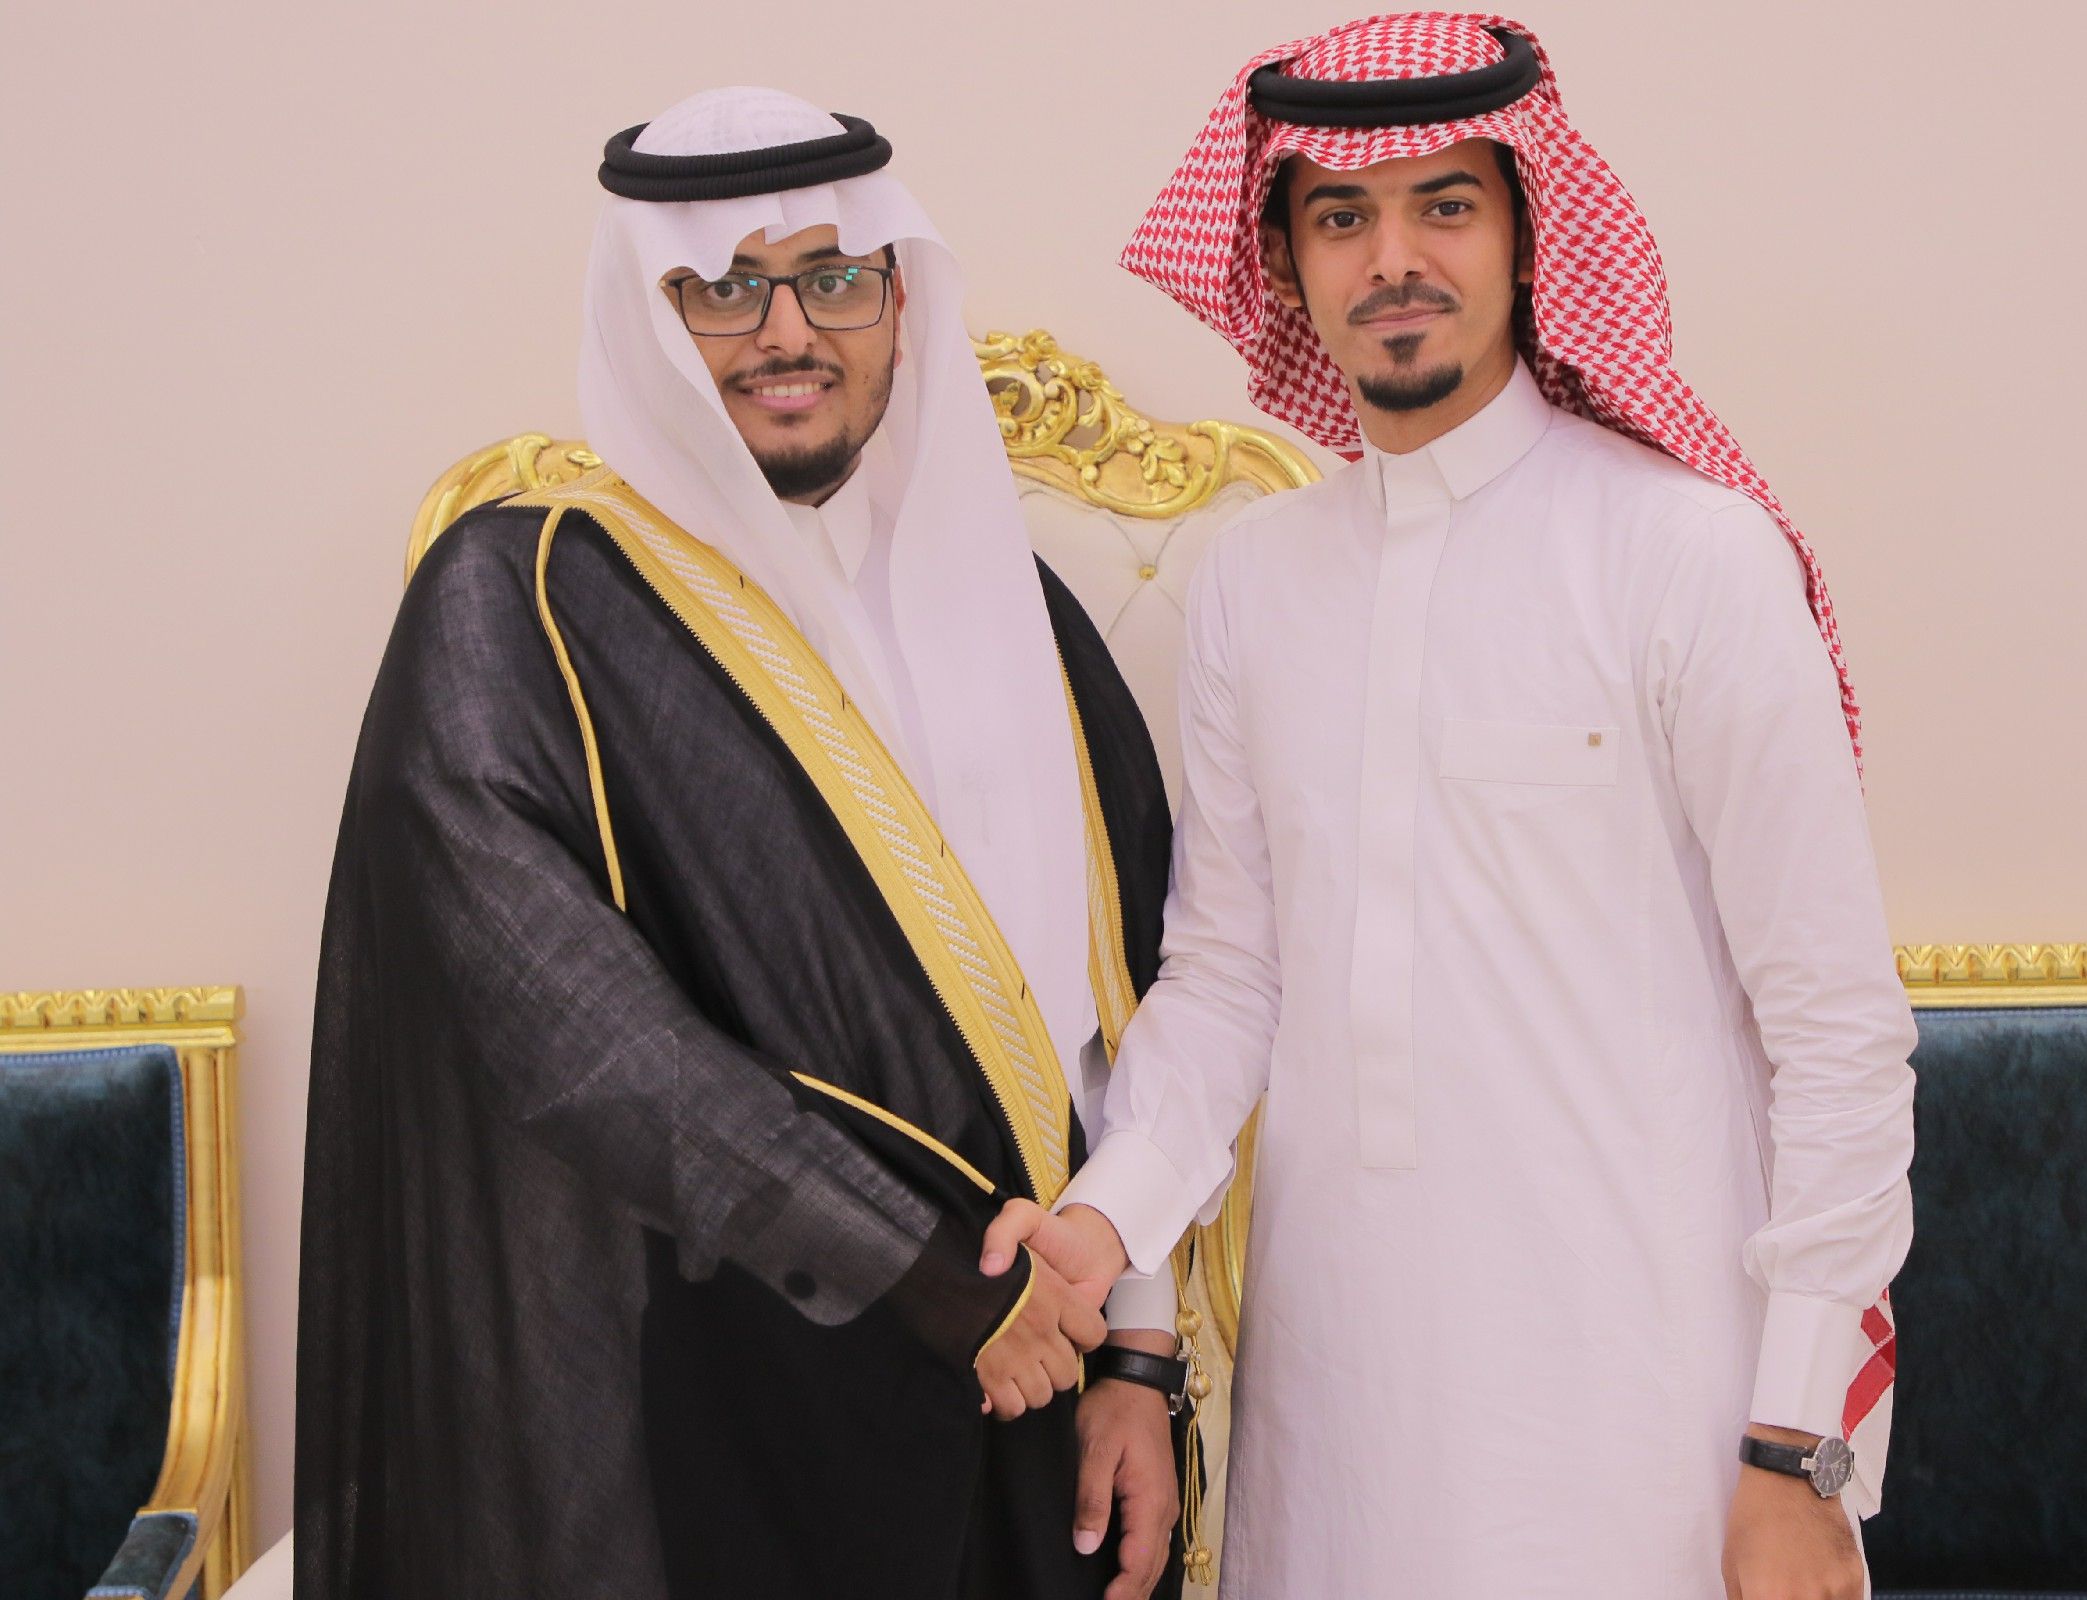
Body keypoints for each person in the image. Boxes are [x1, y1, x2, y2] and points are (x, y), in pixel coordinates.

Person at [985, 16, 1916, 1598]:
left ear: (1529, 232)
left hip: (1652, 1420)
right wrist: (1108, 1228)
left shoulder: (1690, 556)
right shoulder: (1256, 583)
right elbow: (1229, 981)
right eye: (1342, 217)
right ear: (1284, 263)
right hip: (1340, 1423)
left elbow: (1838, 1032)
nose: (1393, 258)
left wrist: (1794, 1449)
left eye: (1447, 206)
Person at [297, 86, 1185, 1599]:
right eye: (721, 289)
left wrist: (1140, 1358)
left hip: (1047, 1371)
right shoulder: (528, 598)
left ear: (898, 300)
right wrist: (916, 1275)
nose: (787, 333)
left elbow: (1124, 1012)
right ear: (648, 320)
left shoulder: (1016, 604)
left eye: (832, 279)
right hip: (740, 1389)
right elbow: (576, 1030)